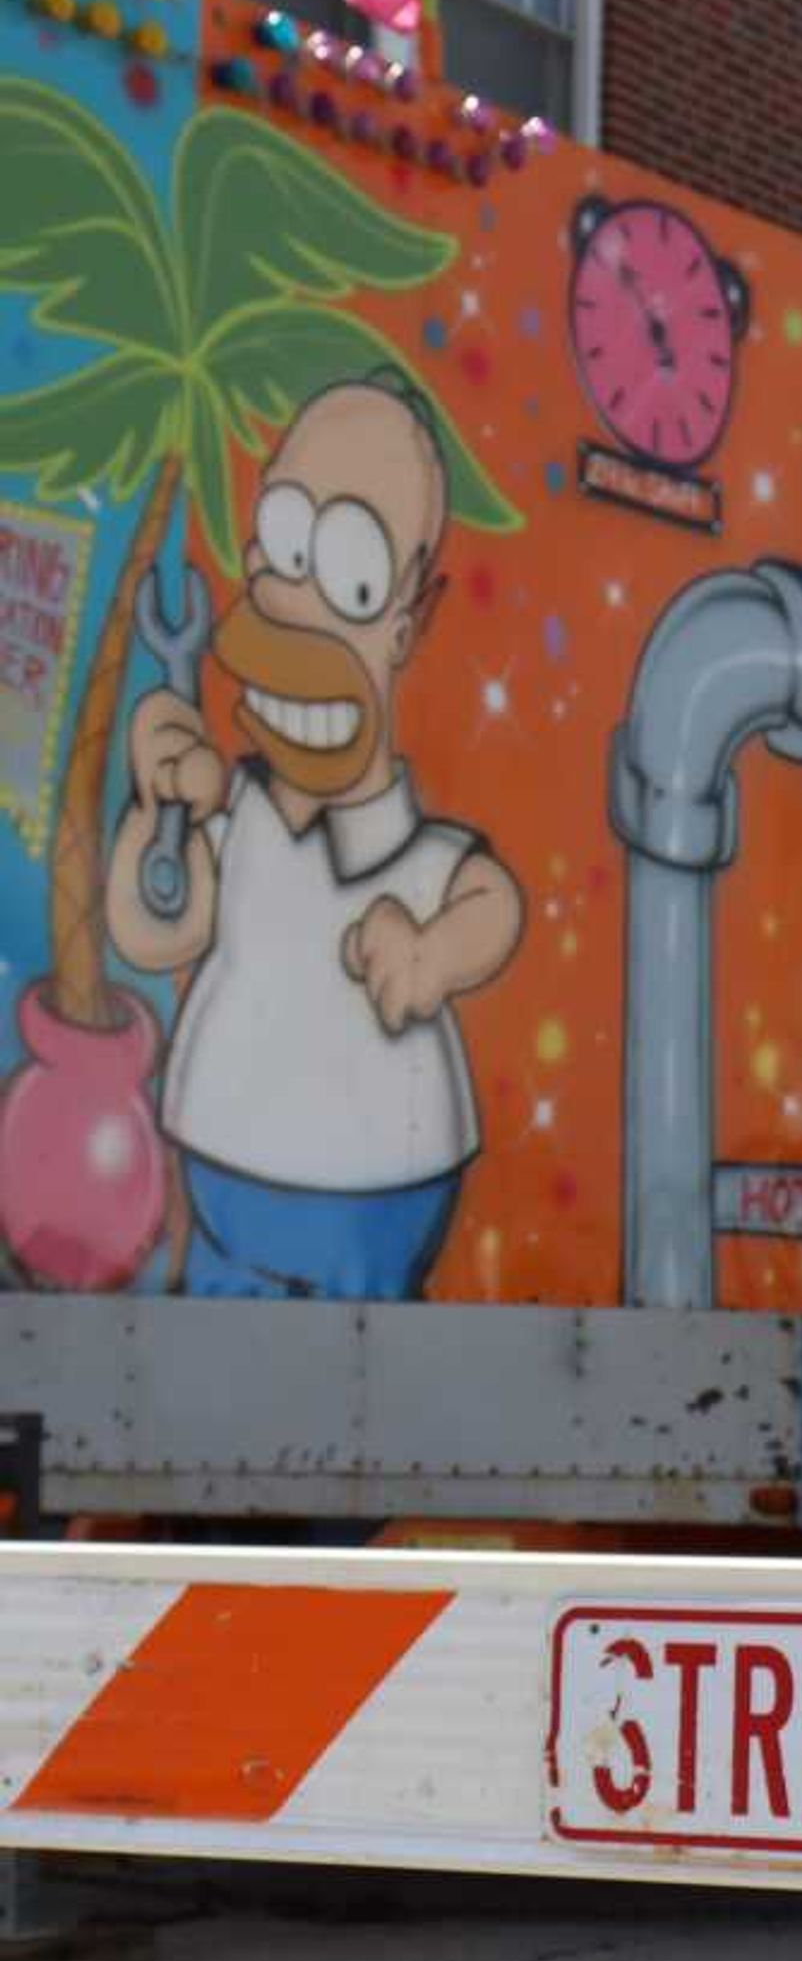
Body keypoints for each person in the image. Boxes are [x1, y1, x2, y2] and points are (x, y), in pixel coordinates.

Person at [109, 376, 521, 1299]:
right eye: (284, 550)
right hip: (220, 1183)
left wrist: (429, 954)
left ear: (409, 621)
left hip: (378, 1200)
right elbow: (155, 930)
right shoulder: (239, 816)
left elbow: (490, 902)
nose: (295, 608)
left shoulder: (415, 854)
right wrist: (153, 818)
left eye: (350, 573)